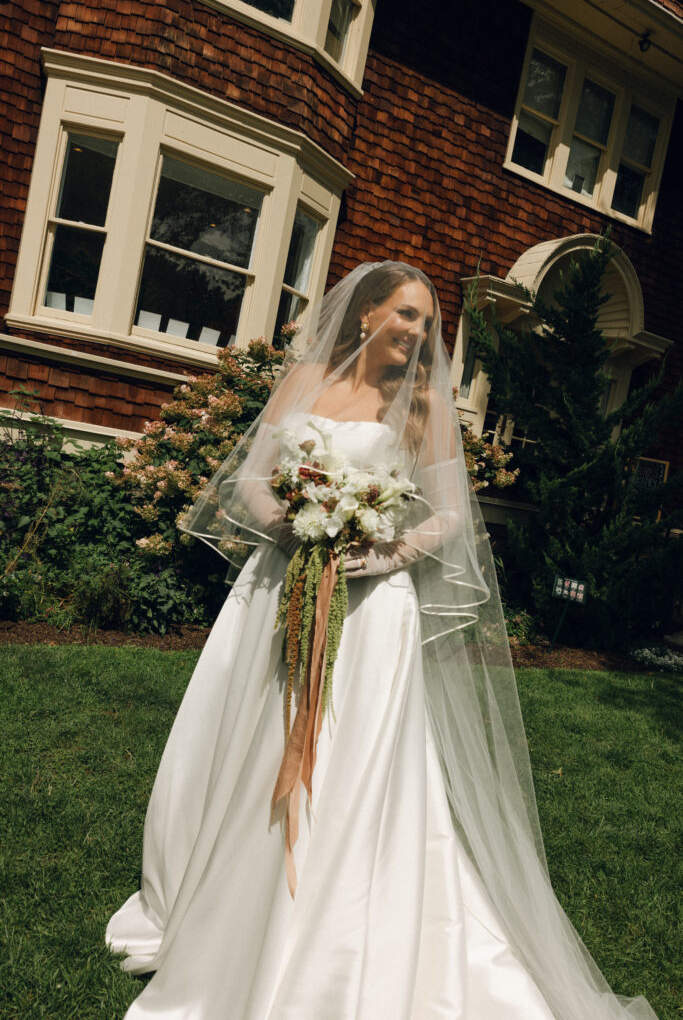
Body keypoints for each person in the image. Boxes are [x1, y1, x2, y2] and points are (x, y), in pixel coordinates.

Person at [107, 261, 658, 1020]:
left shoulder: (426, 403)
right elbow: (250, 482)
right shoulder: (304, 382)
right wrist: (297, 520)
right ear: (365, 314)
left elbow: (451, 515)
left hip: (373, 608)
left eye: (428, 323)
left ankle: (337, 925)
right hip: (281, 585)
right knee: (259, 739)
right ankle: (236, 895)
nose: (417, 333)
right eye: (405, 315)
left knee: (351, 754)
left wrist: (388, 549)